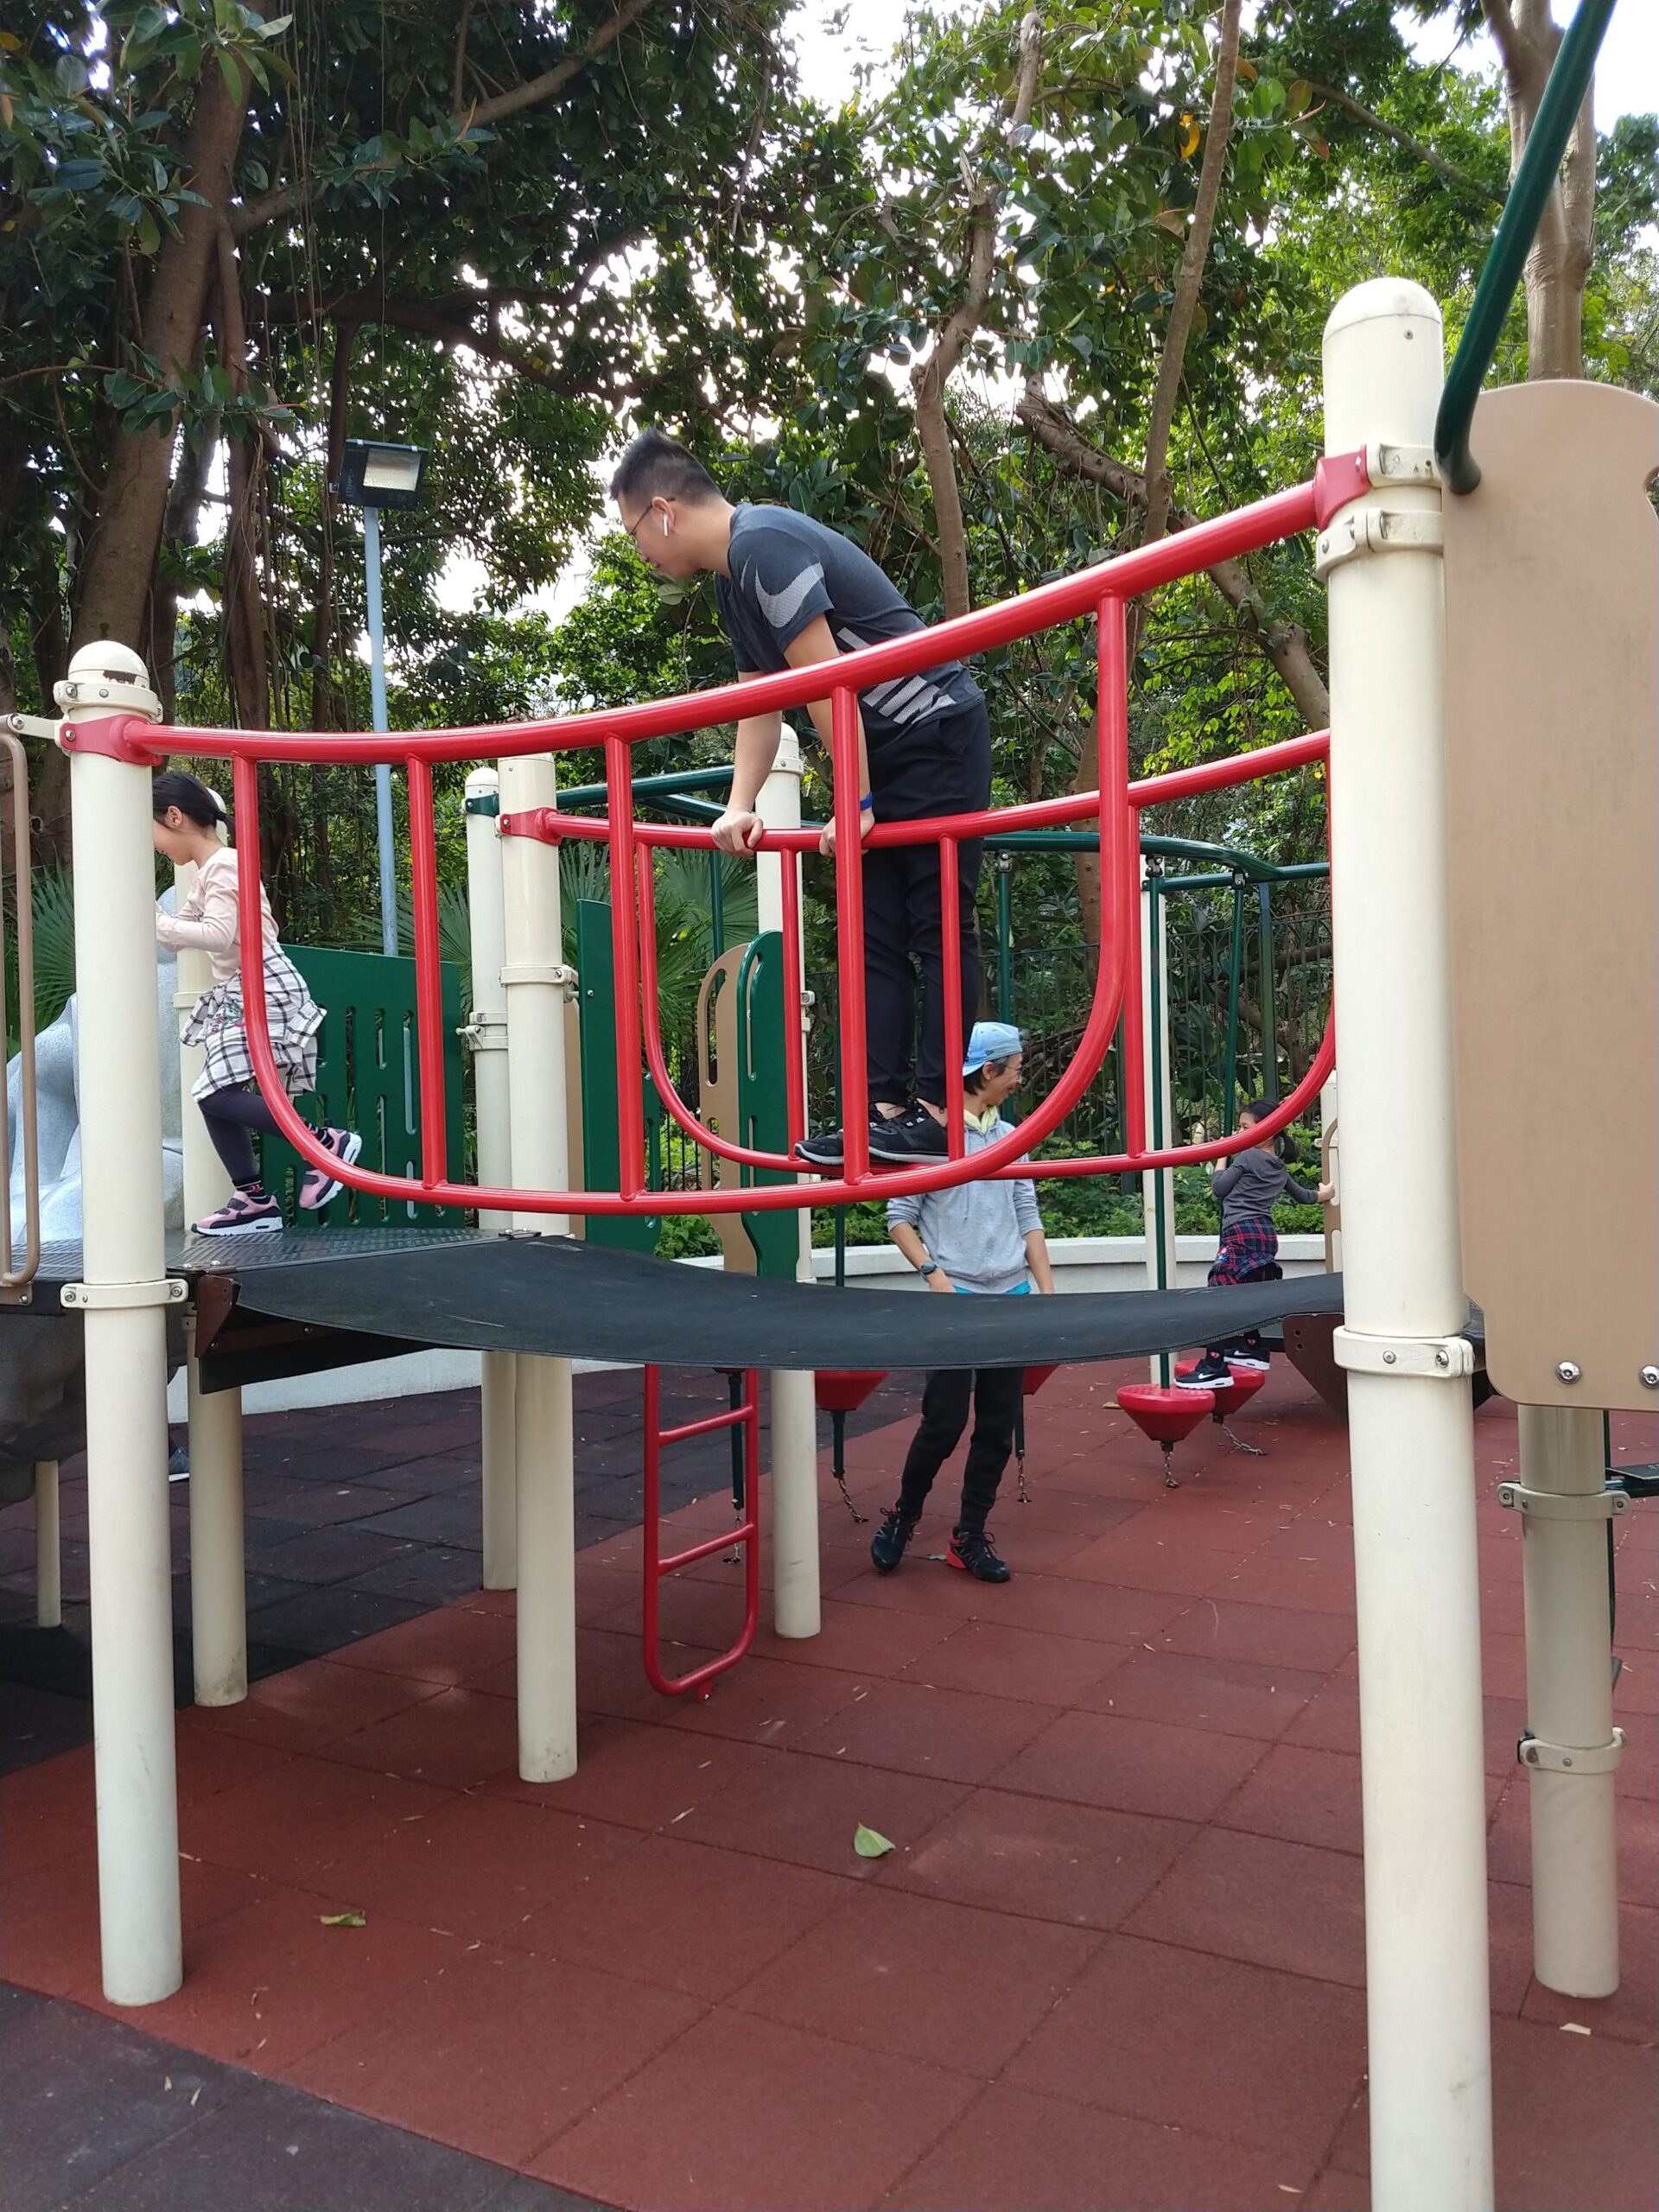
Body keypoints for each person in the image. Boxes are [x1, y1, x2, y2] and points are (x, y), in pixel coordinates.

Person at [610, 429, 989, 1169]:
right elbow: (761, 704)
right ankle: (886, 1117)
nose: (640, 552)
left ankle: (940, 1114)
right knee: (874, 933)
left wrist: (855, 801)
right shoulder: (733, 579)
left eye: (633, 533)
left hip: (932, 728)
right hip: (880, 748)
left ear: (663, 511)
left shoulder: (765, 546)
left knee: (938, 921)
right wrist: (738, 802)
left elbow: (829, 683)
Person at [870, 1023, 1053, 1583]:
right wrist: (934, 1273)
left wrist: (1046, 1294)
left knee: (998, 1426)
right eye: (1014, 1068)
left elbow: (1028, 1216)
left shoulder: (1013, 1137)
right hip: (957, 1297)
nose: (1019, 1078)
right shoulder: (933, 1141)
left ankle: (968, 1535)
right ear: (988, 1071)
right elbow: (899, 1216)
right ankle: (904, 1515)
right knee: (943, 1423)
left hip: (1010, 1296)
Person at [152, 772, 361, 1236]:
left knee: (216, 1092)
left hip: (263, 982)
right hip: (240, 989)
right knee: (212, 1095)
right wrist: (155, 918)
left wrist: (158, 923)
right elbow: (175, 937)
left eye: (154, 832)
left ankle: (323, 1143)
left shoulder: (226, 865)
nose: (156, 845)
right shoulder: (207, 874)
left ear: (174, 816)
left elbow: (216, 935)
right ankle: (253, 1198)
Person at [1177, 1100, 1331, 1391]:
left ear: (1267, 1131)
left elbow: (1219, 1189)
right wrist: (1325, 1193)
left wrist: (1221, 1156)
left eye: (1245, 1127)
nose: (1239, 1132)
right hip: (1264, 1236)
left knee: (1218, 1295)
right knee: (1247, 1294)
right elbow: (1303, 1196)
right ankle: (1251, 1347)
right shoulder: (1279, 1166)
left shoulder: (1247, 1157)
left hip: (1240, 1232)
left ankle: (1214, 1366)